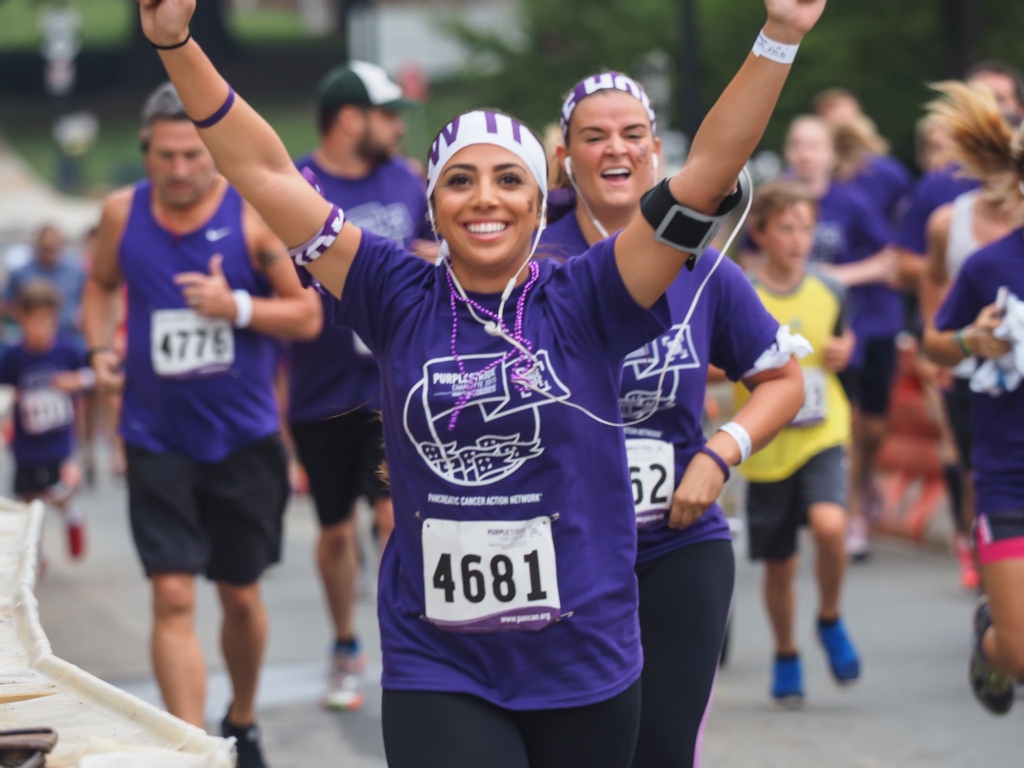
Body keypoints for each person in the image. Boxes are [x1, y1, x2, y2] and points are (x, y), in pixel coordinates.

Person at [138, 0, 825, 763]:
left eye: (508, 180)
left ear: (539, 203)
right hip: (441, 661)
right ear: (433, 204)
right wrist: (176, 42)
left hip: (582, 659)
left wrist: (779, 36)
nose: (485, 197)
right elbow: (265, 170)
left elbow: (704, 178)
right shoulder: (392, 293)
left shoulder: (591, 295)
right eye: (460, 181)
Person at [542, 71, 804, 766]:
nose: (615, 150)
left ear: (656, 151)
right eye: (593, 137)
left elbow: (782, 379)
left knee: (660, 747)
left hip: (675, 542)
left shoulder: (705, 271)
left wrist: (720, 453)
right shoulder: (529, 266)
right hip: (560, 550)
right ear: (564, 157)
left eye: (632, 135)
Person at [81, 82, 322, 768]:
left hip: (242, 440)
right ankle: (191, 748)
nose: (181, 169)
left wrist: (235, 307)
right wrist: (99, 349)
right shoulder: (121, 215)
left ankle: (240, 721)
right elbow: (99, 285)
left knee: (240, 599)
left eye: (194, 154)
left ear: (213, 154)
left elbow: (305, 315)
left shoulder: (251, 219)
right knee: (173, 592)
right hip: (155, 438)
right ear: (146, 152)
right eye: (166, 156)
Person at [288, 61, 427, 712]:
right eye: (387, 113)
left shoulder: (407, 182)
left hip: (391, 383)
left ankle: (407, 643)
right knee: (336, 531)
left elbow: (436, 253)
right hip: (320, 390)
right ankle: (345, 642)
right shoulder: (300, 183)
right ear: (351, 119)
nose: (399, 126)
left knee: (393, 514)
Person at [740, 179, 860, 705]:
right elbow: (717, 362)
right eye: (786, 228)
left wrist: (842, 352)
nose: (798, 239)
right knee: (781, 564)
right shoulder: (743, 292)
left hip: (823, 430)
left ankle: (830, 618)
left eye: (806, 228)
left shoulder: (831, 288)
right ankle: (786, 653)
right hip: (767, 443)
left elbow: (844, 335)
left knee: (832, 525)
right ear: (760, 232)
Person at [927, 118, 1024, 716]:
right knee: (1019, 656)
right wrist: (970, 340)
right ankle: (991, 639)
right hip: (1009, 470)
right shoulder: (989, 265)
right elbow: (933, 343)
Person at [782, 114, 897, 560]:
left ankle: (862, 480)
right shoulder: (776, 203)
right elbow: (752, 265)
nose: (805, 154)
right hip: (808, 334)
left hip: (866, 323)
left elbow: (888, 260)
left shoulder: (853, 202)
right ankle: (848, 515)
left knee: (872, 425)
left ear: (831, 155)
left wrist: (830, 277)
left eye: (815, 146)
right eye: (797, 145)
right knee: (839, 422)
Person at [0, 280, 93, 558]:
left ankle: (73, 518)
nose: (41, 328)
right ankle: (34, 555)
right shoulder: (14, 356)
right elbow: (5, 390)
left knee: (58, 494)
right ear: (22, 319)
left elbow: (91, 377)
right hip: (27, 442)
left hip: (59, 439)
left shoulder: (68, 350)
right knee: (28, 500)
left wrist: (73, 381)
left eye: (47, 321)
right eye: (35, 321)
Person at [6, 224, 86, 344]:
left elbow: (87, 301)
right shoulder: (20, 274)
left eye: (53, 248)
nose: (49, 253)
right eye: (45, 248)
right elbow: (7, 302)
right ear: (37, 246)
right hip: (30, 341)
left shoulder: (76, 273)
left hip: (69, 335)